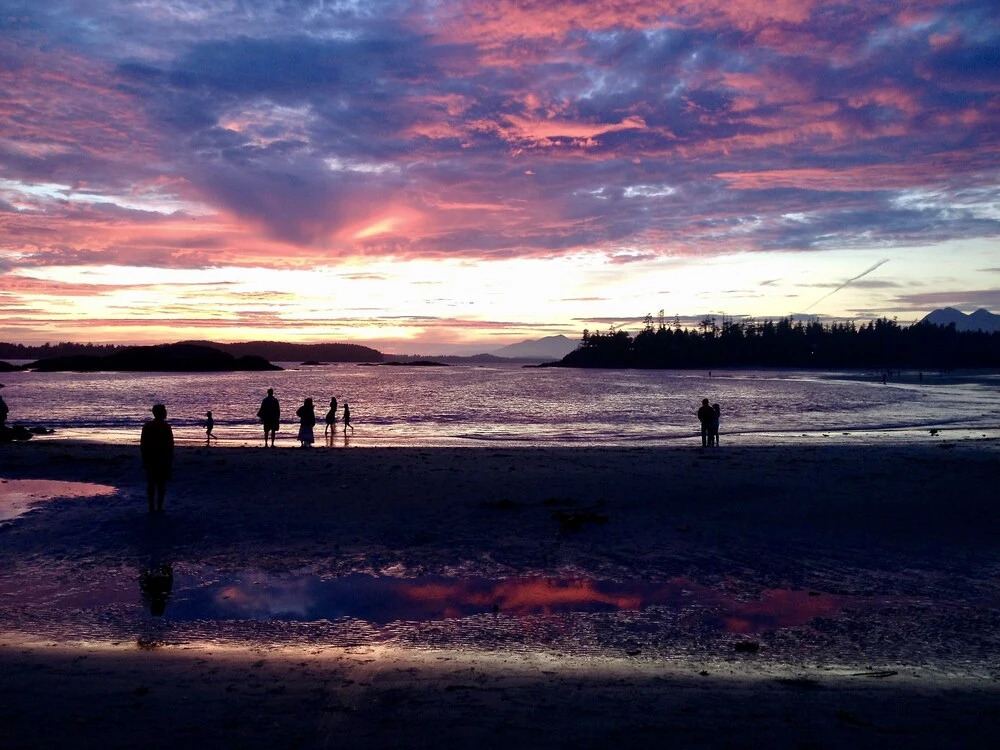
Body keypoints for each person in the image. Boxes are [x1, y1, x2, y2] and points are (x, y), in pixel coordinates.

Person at [141, 404, 174, 513]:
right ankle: (159, 507)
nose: (166, 412)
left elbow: (143, 444)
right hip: (162, 458)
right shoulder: (166, 427)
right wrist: (170, 459)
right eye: (165, 411)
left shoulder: (147, 426)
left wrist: (144, 458)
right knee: (161, 484)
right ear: (161, 413)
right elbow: (170, 444)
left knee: (151, 483)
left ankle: (151, 507)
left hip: (150, 458)